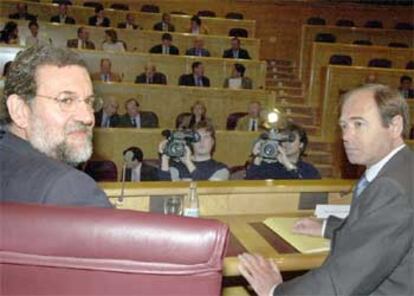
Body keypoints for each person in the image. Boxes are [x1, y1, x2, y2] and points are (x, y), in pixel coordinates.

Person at [239, 84, 413, 296]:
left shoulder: (391, 186)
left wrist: (274, 291)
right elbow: (377, 228)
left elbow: (341, 282)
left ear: (395, 125)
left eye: (359, 124)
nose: (346, 136)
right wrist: (327, 228)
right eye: (344, 126)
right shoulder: (400, 168)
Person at [0, 44, 112, 207]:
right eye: (66, 100)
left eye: (89, 101)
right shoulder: (69, 188)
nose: (88, 117)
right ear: (20, 110)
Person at [245, 123, 321, 179]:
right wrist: (256, 159)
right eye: (283, 140)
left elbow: (308, 189)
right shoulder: (270, 166)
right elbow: (250, 182)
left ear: (301, 144)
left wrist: (288, 165)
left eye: (291, 140)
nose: (286, 143)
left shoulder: (308, 170)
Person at [158, 121, 229, 181]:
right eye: (197, 138)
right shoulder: (177, 165)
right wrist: (165, 158)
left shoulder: (221, 169)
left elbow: (206, 190)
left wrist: (188, 163)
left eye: (206, 137)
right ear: (191, 142)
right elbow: (165, 188)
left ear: (213, 142)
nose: (201, 141)